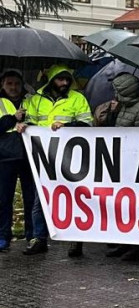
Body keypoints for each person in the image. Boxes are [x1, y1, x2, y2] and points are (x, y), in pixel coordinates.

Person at [17, 65, 93, 257]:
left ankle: (76, 240)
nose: (65, 83)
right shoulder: (35, 100)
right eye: (61, 80)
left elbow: (88, 124)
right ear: (51, 80)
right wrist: (23, 126)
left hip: (70, 158)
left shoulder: (78, 98)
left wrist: (68, 126)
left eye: (67, 80)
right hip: (42, 157)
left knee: (73, 197)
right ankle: (39, 239)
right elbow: (30, 124)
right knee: (40, 199)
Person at [101, 73, 139, 261]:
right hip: (122, 163)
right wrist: (113, 113)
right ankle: (125, 242)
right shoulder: (124, 107)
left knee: (137, 205)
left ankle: (138, 245)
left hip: (135, 164)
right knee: (124, 205)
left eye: (117, 90)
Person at [0, 70, 33, 252]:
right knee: (4, 199)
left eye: (17, 84)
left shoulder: (30, 101)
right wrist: (14, 119)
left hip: (28, 156)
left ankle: (31, 235)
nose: (13, 87)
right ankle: (3, 236)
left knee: (30, 198)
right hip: (5, 157)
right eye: (9, 84)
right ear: (3, 85)